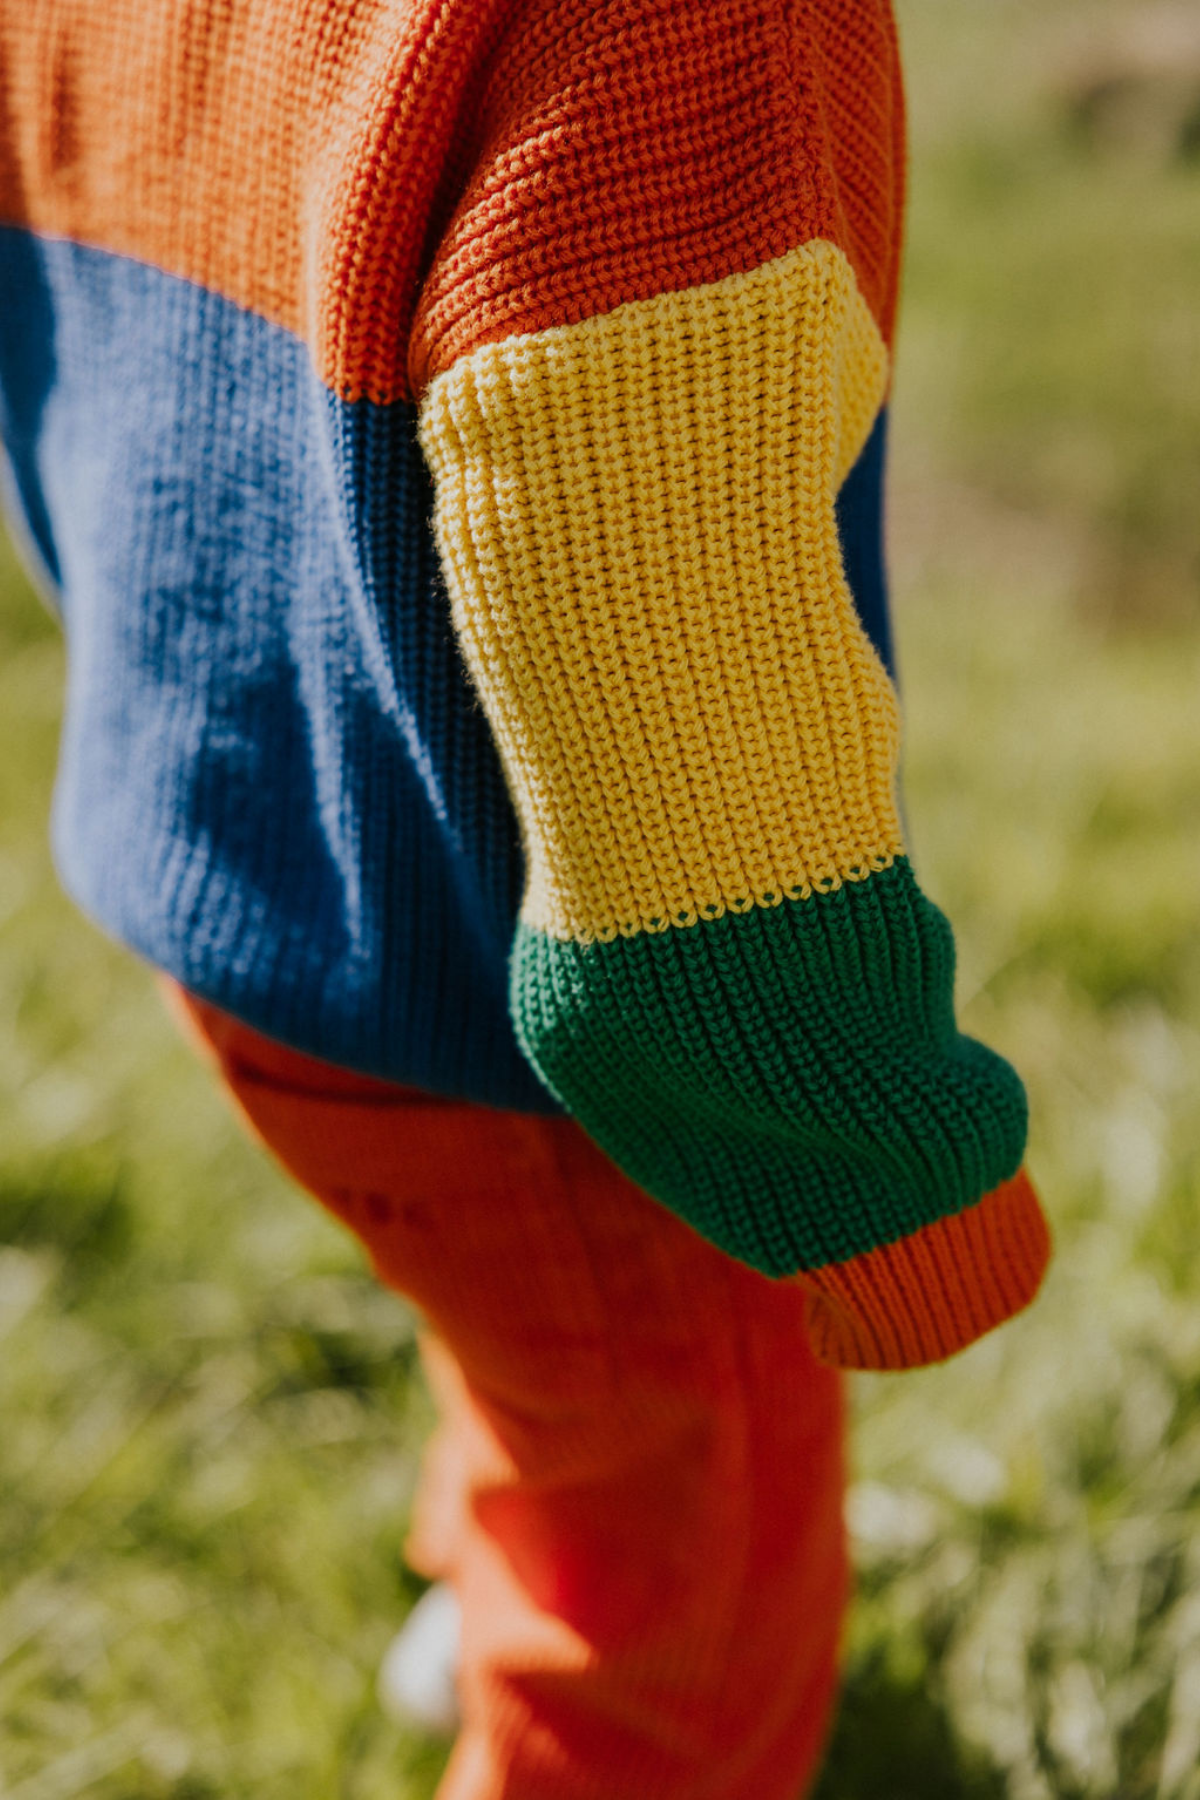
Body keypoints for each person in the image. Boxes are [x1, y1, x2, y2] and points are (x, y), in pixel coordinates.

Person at [0, 1, 1051, 1793]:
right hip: (503, 996)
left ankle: (499, 1571)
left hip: (218, 836)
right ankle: (568, 1687)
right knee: (680, 1530)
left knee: (519, 1318)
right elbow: (655, 659)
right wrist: (865, 1159)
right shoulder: (680, 32)